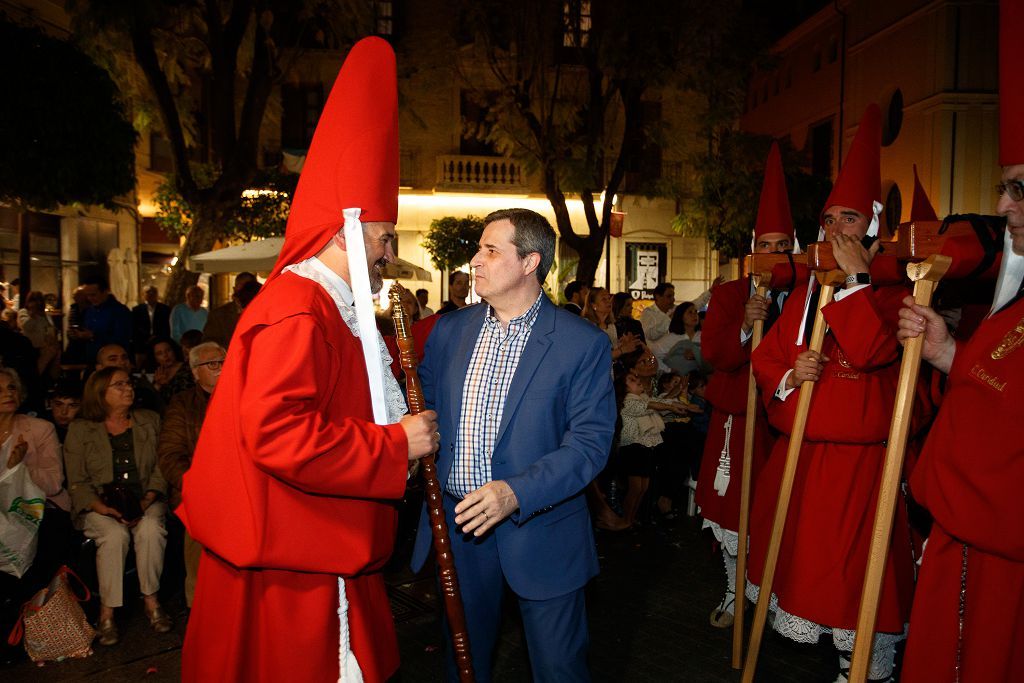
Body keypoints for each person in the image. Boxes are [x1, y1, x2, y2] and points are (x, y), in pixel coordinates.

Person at [177, 38, 437, 683]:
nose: (386, 254)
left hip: (315, 544)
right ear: (350, 230)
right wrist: (394, 444)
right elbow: (279, 434)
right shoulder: (300, 310)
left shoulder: (329, 304)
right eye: (382, 239)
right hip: (294, 562)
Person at [747, 104, 917, 682]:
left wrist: (856, 286)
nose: (836, 229)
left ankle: (861, 666)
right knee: (804, 575)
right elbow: (765, 362)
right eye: (830, 219)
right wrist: (795, 370)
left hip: (863, 467)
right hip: (806, 459)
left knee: (857, 583)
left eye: (848, 218)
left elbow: (873, 353)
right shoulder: (806, 293)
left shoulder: (894, 292)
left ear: (870, 226)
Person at [412, 207, 615, 682]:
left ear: (530, 262)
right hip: (459, 529)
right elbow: (425, 409)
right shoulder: (450, 330)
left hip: (542, 529)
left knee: (557, 668)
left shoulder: (581, 343)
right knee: (464, 663)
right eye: (479, 250)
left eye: (490, 250)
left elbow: (589, 444)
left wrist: (516, 492)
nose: (475, 261)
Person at [898, 7, 1024, 680]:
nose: (1003, 207)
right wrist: (948, 351)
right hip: (963, 538)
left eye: (1019, 188)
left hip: (1000, 559)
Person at [696, 141, 796, 628]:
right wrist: (744, 326)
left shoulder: (806, 297)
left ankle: (775, 597)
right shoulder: (729, 293)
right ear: (753, 249)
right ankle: (736, 591)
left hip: (786, 427)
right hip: (737, 422)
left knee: (778, 515)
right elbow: (714, 354)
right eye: (767, 245)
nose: (774, 254)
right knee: (734, 515)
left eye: (783, 246)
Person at [64, 366, 170, 647]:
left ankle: (152, 602)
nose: (128, 389)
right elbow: (77, 481)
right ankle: (107, 613)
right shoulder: (81, 429)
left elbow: (162, 465)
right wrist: (101, 507)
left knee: (150, 530)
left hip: (145, 499)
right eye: (119, 385)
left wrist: (148, 497)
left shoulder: (149, 420)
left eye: (129, 383)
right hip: (100, 506)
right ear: (100, 393)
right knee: (114, 535)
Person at [157, 341, 225, 609]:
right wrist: (200, 488)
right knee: (200, 526)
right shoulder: (183, 404)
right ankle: (200, 609)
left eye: (223, 361)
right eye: (212, 364)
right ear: (195, 372)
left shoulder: (245, 396)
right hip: (198, 490)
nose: (220, 368)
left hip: (239, 489)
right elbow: (170, 456)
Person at [74, 276, 132, 363]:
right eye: (87, 295)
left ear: (105, 292)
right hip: (92, 359)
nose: (90, 298)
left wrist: (94, 336)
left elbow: (122, 339)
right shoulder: (90, 310)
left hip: (113, 361)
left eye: (93, 295)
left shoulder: (119, 311)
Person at [95, 343, 163, 414]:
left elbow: (160, 409)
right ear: (99, 367)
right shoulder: (93, 388)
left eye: (124, 358)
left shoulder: (142, 384)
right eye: (113, 359)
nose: (121, 362)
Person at [582, 286, 641, 360]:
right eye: (604, 299)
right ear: (594, 305)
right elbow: (595, 357)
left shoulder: (611, 326)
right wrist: (622, 350)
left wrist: (622, 344)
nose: (608, 301)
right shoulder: (587, 325)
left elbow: (612, 352)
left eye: (609, 298)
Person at [201, 273, 257, 348]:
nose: (245, 289)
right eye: (242, 285)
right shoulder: (218, 315)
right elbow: (208, 341)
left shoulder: (261, 312)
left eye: (249, 287)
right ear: (234, 289)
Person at [19, 290, 59, 380]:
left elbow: (51, 329)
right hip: (31, 348)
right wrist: (33, 315)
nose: (37, 304)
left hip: (45, 347)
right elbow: (26, 326)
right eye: (33, 301)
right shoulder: (24, 312)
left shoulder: (46, 315)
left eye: (39, 301)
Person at [131, 286, 171, 366]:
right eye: (148, 293)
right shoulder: (137, 310)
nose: (150, 295)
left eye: (153, 293)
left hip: (159, 341)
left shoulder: (165, 309)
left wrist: (156, 337)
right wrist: (146, 337)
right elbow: (135, 327)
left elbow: (166, 326)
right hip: (141, 343)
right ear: (143, 295)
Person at [147, 335, 195, 403]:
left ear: (174, 350)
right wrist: (158, 385)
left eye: (168, 350)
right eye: (159, 353)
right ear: (155, 358)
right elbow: (151, 401)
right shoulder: (158, 374)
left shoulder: (188, 368)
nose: (165, 355)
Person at [43, 379, 82, 444]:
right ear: (50, 404)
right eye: (58, 404)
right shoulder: (41, 428)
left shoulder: (86, 431)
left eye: (72, 406)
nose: (64, 412)